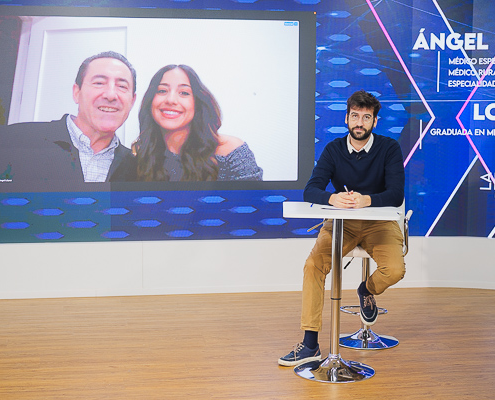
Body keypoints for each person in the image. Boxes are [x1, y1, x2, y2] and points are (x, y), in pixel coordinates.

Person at [278, 90, 406, 367]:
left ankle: (366, 290)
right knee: (313, 266)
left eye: (366, 117)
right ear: (347, 118)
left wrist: (367, 200)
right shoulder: (334, 149)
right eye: (355, 116)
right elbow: (310, 190)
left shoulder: (389, 148)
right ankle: (310, 343)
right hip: (342, 223)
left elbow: (396, 194)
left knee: (395, 270)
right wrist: (332, 198)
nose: (360, 122)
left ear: (375, 121)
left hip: (380, 222)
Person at [0, 51, 137, 192]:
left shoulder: (138, 168)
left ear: (132, 101)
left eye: (122, 86)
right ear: (77, 93)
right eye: (99, 83)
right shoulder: (13, 140)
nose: (111, 95)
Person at [133, 64, 263, 181]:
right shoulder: (139, 153)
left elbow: (255, 205)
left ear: (198, 103)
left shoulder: (231, 152)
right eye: (162, 91)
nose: (171, 100)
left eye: (184, 93)